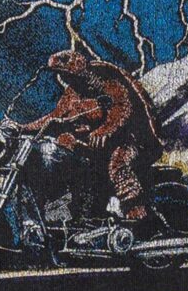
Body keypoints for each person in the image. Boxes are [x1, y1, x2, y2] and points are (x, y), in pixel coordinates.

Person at [15, 35, 162, 224]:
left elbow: (122, 105)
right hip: (97, 148)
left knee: (118, 164)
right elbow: (54, 118)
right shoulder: (72, 94)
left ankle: (137, 214)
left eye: (65, 62)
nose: (62, 74)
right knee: (71, 157)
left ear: (79, 63)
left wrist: (106, 129)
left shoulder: (106, 79)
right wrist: (23, 128)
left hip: (132, 141)